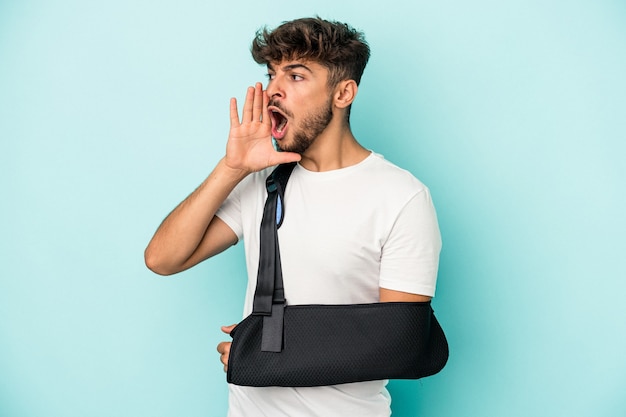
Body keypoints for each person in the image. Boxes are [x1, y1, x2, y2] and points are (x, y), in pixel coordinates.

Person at [145, 17, 442, 417]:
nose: (273, 91)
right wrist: (232, 168)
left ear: (343, 93)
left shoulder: (401, 197)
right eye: (271, 74)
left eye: (296, 76)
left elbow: (399, 345)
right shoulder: (260, 184)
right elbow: (162, 259)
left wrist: (265, 353)